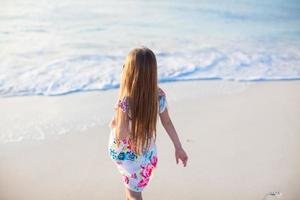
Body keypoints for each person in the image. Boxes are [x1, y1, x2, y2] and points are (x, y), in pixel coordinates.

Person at [107, 47, 188, 200]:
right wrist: (179, 147)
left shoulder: (125, 101)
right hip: (146, 155)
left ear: (130, 72)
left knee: (134, 195)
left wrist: (114, 123)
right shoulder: (159, 96)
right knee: (131, 190)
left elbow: (121, 135)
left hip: (126, 155)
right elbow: (167, 122)